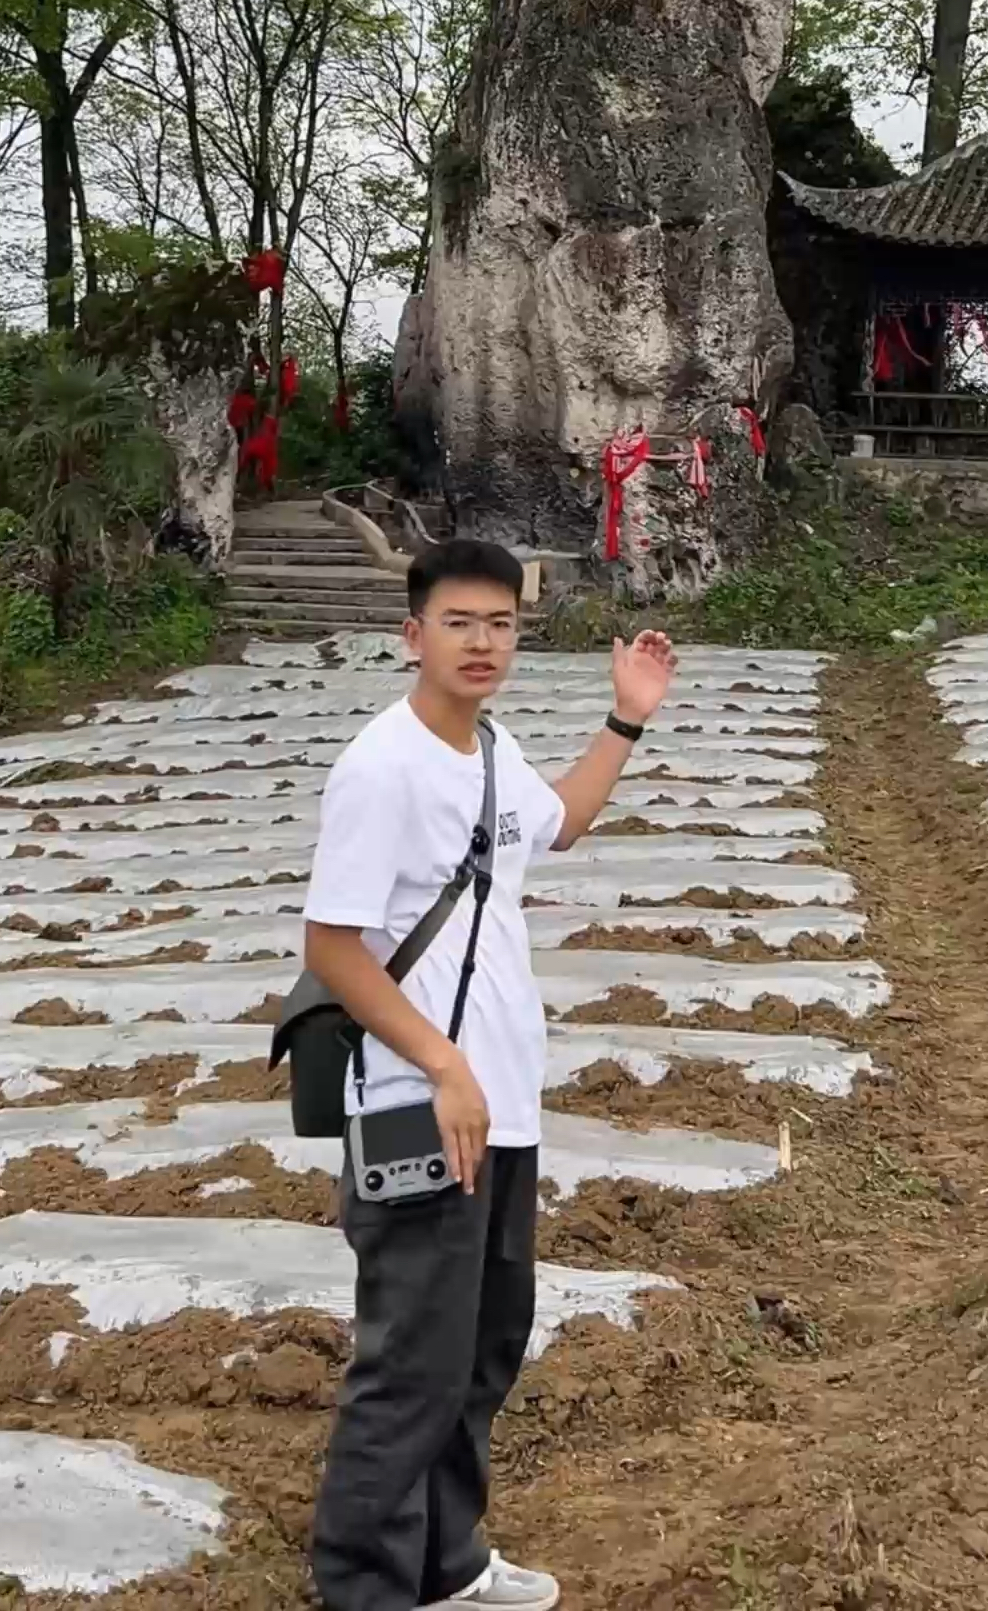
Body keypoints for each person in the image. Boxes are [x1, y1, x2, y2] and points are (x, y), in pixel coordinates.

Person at [304, 535, 677, 1611]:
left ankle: (445, 1564)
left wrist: (627, 715)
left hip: (500, 1107)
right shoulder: (382, 767)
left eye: (502, 623)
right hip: (424, 1106)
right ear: (412, 634)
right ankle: (365, 1589)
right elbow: (333, 946)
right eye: (459, 622)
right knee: (409, 1372)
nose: (483, 641)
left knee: (483, 1352)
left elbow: (559, 822)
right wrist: (441, 1065)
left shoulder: (491, 750)